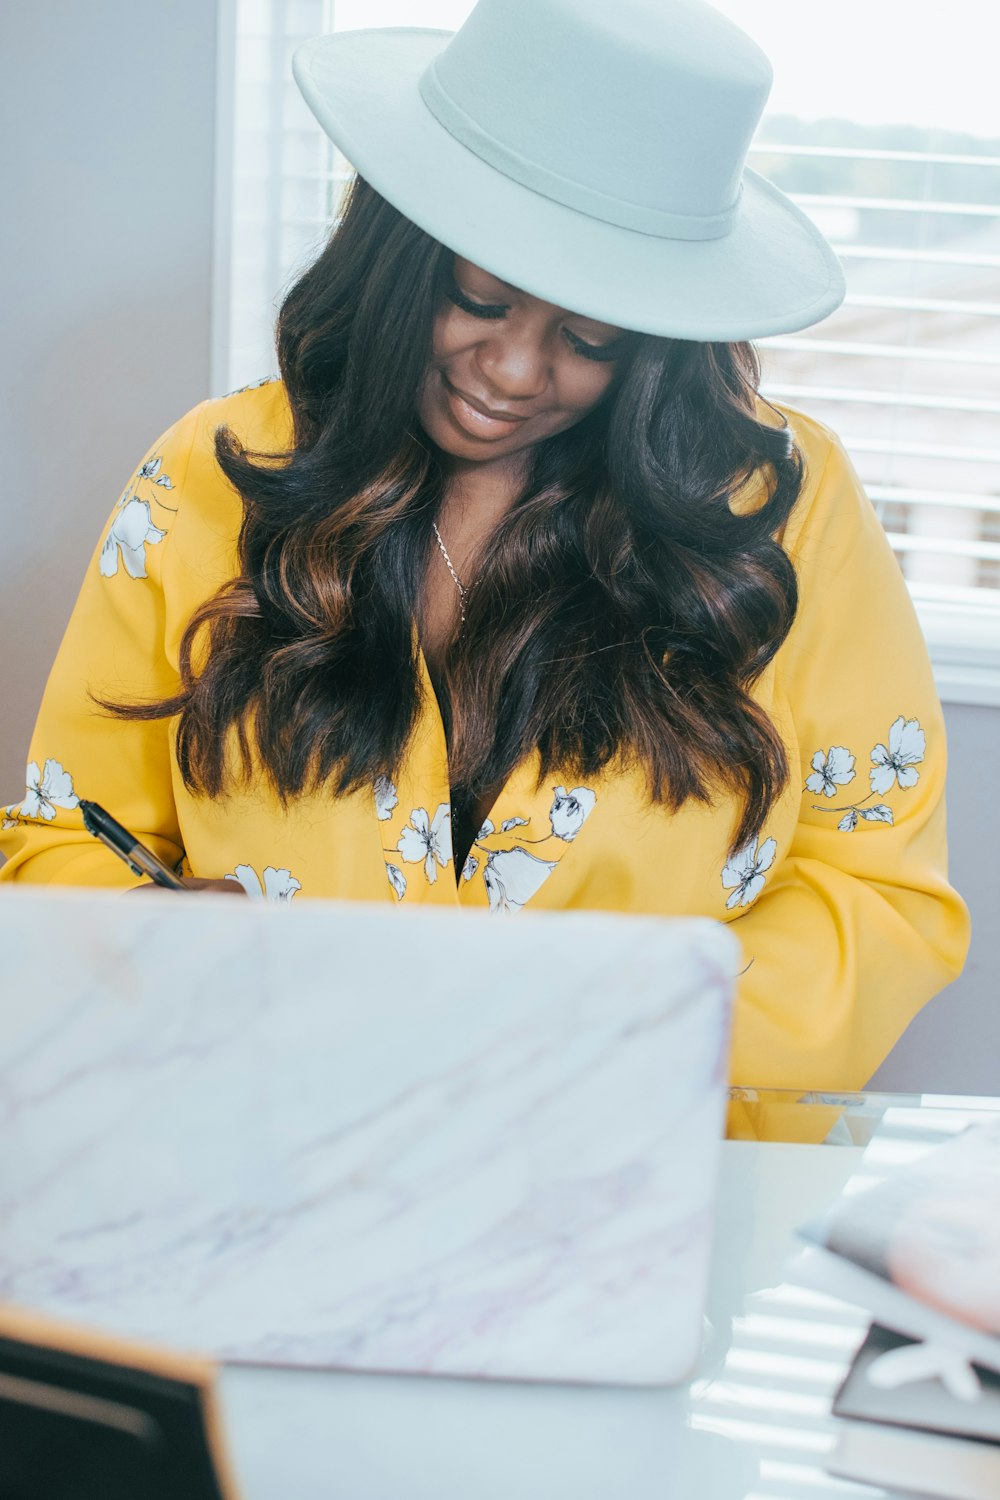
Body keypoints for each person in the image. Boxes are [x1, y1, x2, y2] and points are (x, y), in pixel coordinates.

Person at [0, 0, 969, 1121]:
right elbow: (66, 842)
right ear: (399, 253)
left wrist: (595, 1046)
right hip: (255, 1147)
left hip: (624, 1181)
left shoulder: (778, 509)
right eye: (478, 299)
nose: (511, 371)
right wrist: (158, 945)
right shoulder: (215, 475)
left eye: (590, 339)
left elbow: (875, 894)